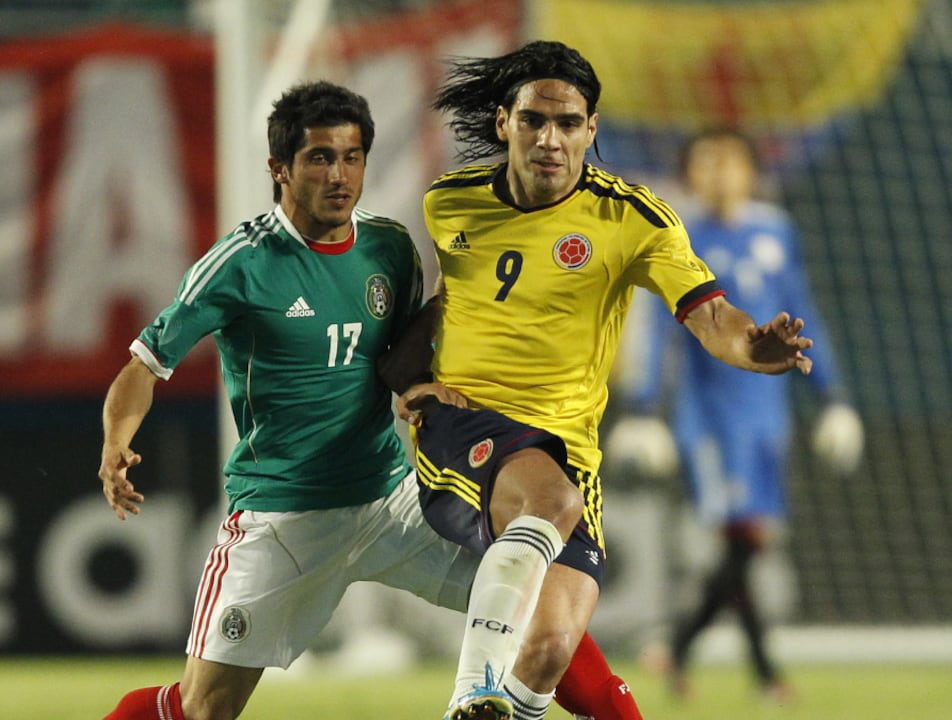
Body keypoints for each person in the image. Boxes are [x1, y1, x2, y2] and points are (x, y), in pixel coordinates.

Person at [96, 80, 633, 720]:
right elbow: (143, 366)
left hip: (391, 499)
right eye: (320, 158)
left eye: (352, 157)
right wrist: (115, 442)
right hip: (285, 517)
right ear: (280, 168)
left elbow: (397, 356)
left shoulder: (389, 248)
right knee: (203, 708)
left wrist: (418, 384)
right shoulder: (240, 264)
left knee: (541, 615)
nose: (340, 174)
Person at [380, 41, 816, 720]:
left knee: (553, 646)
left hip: (567, 451)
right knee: (548, 505)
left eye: (567, 122)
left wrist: (752, 345)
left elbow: (711, 313)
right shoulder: (452, 203)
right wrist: (409, 381)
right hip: (466, 427)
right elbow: (444, 304)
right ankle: (471, 694)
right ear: (504, 124)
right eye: (533, 120)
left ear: (591, 129)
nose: (550, 139)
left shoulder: (632, 219)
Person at [618, 127, 864, 701]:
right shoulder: (680, 239)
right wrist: (644, 409)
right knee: (742, 538)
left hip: (767, 415)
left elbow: (804, 316)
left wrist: (835, 400)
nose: (720, 174)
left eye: (730, 163)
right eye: (706, 164)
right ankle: (751, 670)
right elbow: (659, 331)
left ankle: (682, 654)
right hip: (711, 417)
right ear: (690, 174)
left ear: (752, 172)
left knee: (748, 543)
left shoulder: (775, 231)